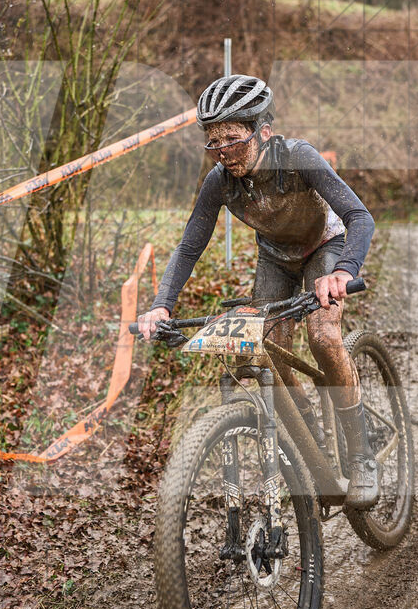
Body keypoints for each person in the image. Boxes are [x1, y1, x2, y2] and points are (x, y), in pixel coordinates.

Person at [137, 74, 379, 509]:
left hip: (327, 246)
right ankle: (313, 440)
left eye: (233, 139)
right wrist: (160, 306)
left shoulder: (298, 157)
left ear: (263, 132)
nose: (224, 152)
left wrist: (343, 272)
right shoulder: (220, 181)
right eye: (214, 142)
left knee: (323, 336)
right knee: (263, 345)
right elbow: (191, 244)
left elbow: (360, 216)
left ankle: (361, 455)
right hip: (275, 258)